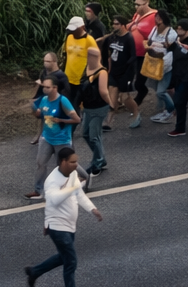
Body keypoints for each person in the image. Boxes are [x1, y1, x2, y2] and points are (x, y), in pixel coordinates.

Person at [24, 147, 102, 287]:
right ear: (63, 162)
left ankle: (34, 272)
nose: (76, 165)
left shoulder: (72, 173)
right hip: (57, 226)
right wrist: (72, 189)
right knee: (71, 261)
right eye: (73, 162)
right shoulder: (52, 180)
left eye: (76, 161)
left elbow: (78, 193)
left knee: (63, 257)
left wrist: (92, 209)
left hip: (69, 225)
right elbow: (54, 199)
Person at [30, 74, 80, 197]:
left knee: (64, 166)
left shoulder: (63, 101)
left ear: (55, 88)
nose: (44, 89)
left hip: (62, 139)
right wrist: (35, 111)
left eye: (47, 87)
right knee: (40, 163)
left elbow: (77, 119)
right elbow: (39, 115)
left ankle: (83, 177)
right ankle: (38, 191)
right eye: (43, 87)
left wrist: (62, 120)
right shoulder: (43, 99)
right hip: (47, 138)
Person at [77, 47, 113, 175]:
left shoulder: (102, 72)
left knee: (93, 136)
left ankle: (98, 162)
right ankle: (100, 157)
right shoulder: (86, 68)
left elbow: (103, 91)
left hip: (99, 108)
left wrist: (110, 103)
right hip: (87, 107)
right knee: (86, 134)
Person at [142, 9, 177, 126]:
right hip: (153, 63)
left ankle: (172, 110)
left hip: (165, 65)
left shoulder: (171, 33)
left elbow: (170, 46)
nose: (156, 20)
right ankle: (167, 110)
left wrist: (157, 45)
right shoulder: (154, 30)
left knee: (161, 92)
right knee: (157, 89)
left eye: (159, 18)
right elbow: (150, 41)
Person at [103, 17, 137, 127]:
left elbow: (133, 56)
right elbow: (107, 52)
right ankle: (108, 122)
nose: (114, 26)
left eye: (116, 24)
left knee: (124, 97)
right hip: (113, 71)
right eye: (113, 23)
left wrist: (126, 67)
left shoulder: (129, 38)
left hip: (125, 72)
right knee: (112, 94)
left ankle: (136, 113)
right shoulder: (112, 37)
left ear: (123, 25)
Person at [166, 18, 188, 137]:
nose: (178, 30)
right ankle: (179, 126)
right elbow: (169, 49)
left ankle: (180, 128)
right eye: (178, 28)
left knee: (180, 102)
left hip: (186, 77)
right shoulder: (176, 42)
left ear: (187, 30)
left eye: (181, 28)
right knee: (179, 102)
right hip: (176, 74)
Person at [62, 16, 98, 100]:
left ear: (82, 27)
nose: (72, 31)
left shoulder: (89, 40)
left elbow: (95, 60)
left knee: (77, 104)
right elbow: (66, 55)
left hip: (81, 79)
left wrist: (89, 76)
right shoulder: (69, 37)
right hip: (67, 77)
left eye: (75, 29)